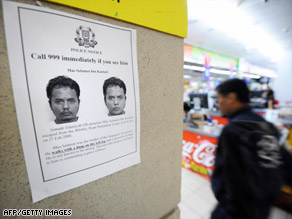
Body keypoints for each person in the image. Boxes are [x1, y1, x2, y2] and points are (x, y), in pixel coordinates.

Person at [211, 79, 283, 219]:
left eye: (219, 99)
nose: (218, 104)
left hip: (235, 210)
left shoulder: (233, 130)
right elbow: (282, 164)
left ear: (231, 98)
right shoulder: (268, 126)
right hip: (262, 208)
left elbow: (225, 174)